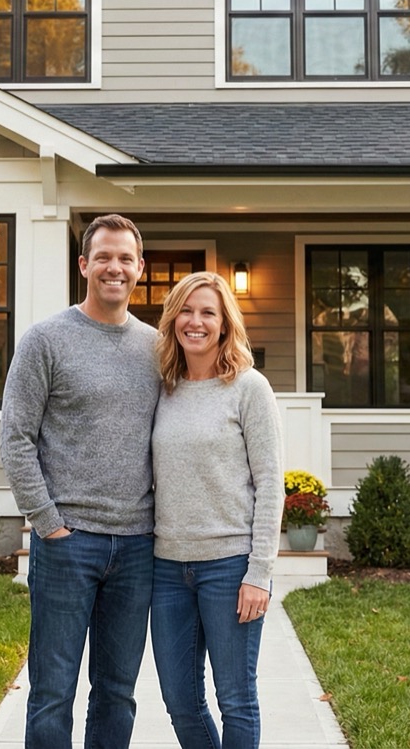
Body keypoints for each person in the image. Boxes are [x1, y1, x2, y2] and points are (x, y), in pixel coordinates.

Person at [0, 213, 161, 749]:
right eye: (104, 257)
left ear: (140, 268)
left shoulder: (157, 348)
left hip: (137, 546)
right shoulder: (45, 340)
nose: (114, 267)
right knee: (52, 690)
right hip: (68, 543)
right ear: (84, 264)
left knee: (117, 691)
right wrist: (47, 524)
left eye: (125, 258)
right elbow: (16, 437)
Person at [149, 271, 283, 749]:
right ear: (172, 320)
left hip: (229, 568)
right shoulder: (162, 388)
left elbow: (270, 483)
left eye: (208, 312)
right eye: (186, 310)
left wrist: (259, 572)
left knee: (236, 700)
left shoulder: (250, 388)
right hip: (167, 569)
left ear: (225, 324)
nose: (196, 321)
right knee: (180, 700)